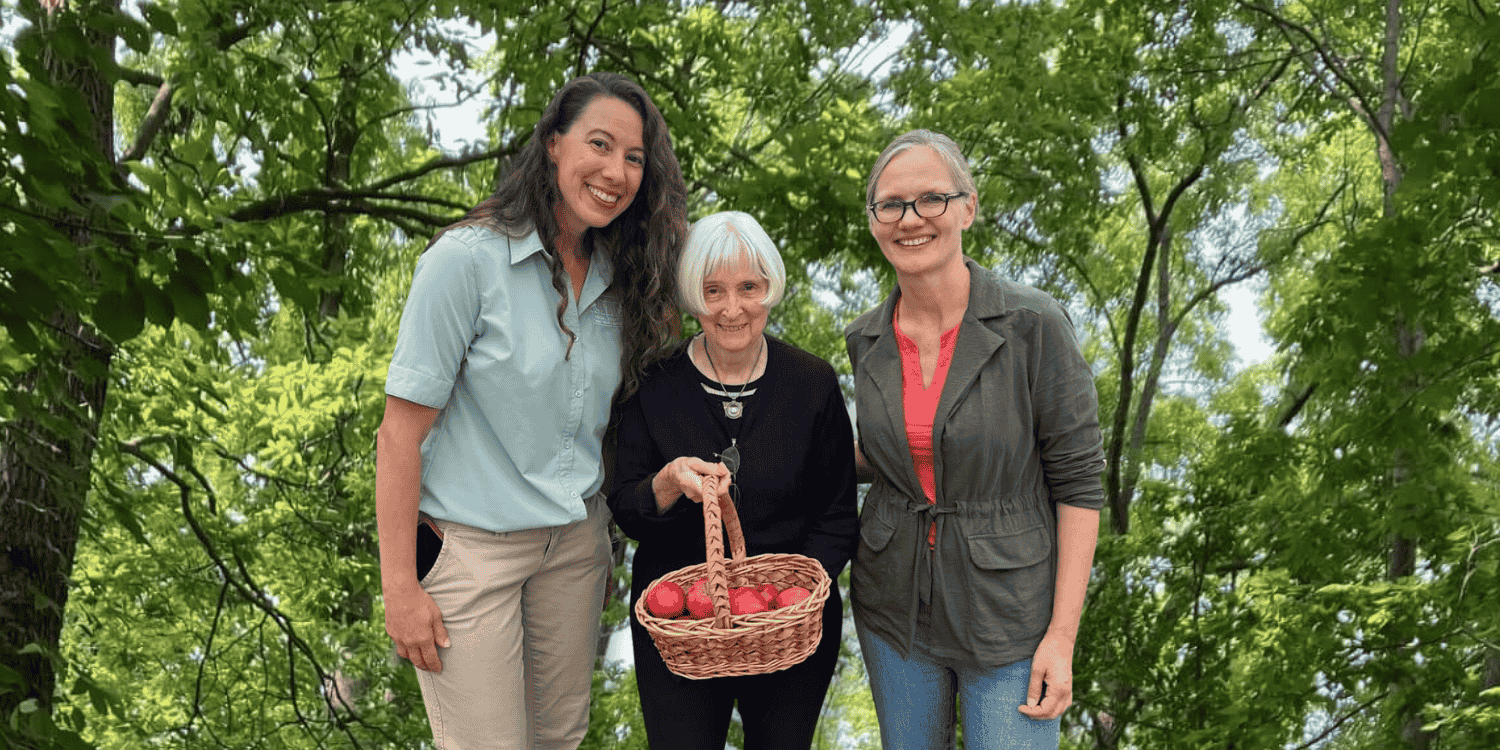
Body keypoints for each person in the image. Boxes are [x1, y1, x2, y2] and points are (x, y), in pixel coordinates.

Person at [375, 72, 687, 750]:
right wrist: (399, 588)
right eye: (599, 145)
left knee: (558, 741)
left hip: (574, 551)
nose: (616, 171)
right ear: (552, 144)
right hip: (472, 551)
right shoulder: (465, 261)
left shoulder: (621, 277)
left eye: (634, 157)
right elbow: (399, 436)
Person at [845, 130, 1106, 749]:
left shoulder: (1032, 324)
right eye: (891, 204)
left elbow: (1078, 483)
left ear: (969, 206)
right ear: (875, 220)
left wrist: (1062, 638)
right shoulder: (865, 339)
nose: (911, 219)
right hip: (893, 610)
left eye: (931, 198)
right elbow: (893, 457)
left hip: (1011, 616)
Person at [608, 211, 859, 750]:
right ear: (691, 296)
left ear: (771, 287)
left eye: (749, 287)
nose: (732, 308)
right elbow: (626, 508)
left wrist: (792, 599)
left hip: (789, 624)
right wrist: (670, 480)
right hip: (681, 625)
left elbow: (837, 517)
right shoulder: (653, 384)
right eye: (713, 290)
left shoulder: (812, 383)